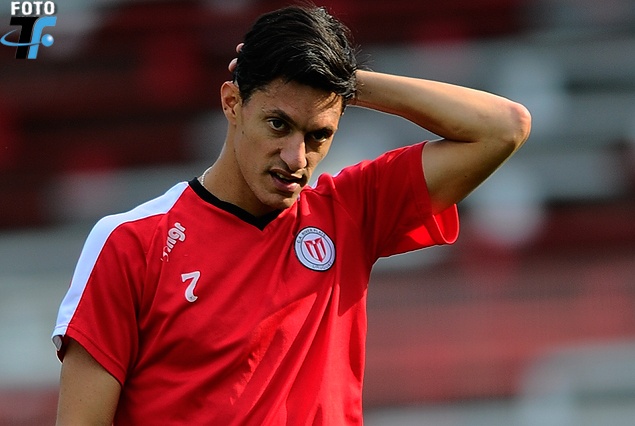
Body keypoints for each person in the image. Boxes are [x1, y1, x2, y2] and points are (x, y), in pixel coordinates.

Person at [52, 4, 531, 425]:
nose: (296, 157)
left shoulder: (350, 213)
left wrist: (348, 83)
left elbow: (504, 127)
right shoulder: (132, 241)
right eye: (278, 124)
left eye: (318, 135)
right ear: (232, 103)